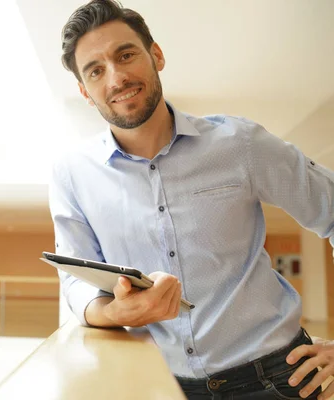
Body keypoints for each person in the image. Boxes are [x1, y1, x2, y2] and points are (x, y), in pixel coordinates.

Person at [49, 0, 334, 398]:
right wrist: (115, 312)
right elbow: (76, 283)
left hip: (276, 380)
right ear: (84, 90)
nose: (116, 78)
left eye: (125, 54)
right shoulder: (72, 175)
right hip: (157, 386)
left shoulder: (240, 144)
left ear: (156, 55)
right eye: (96, 70)